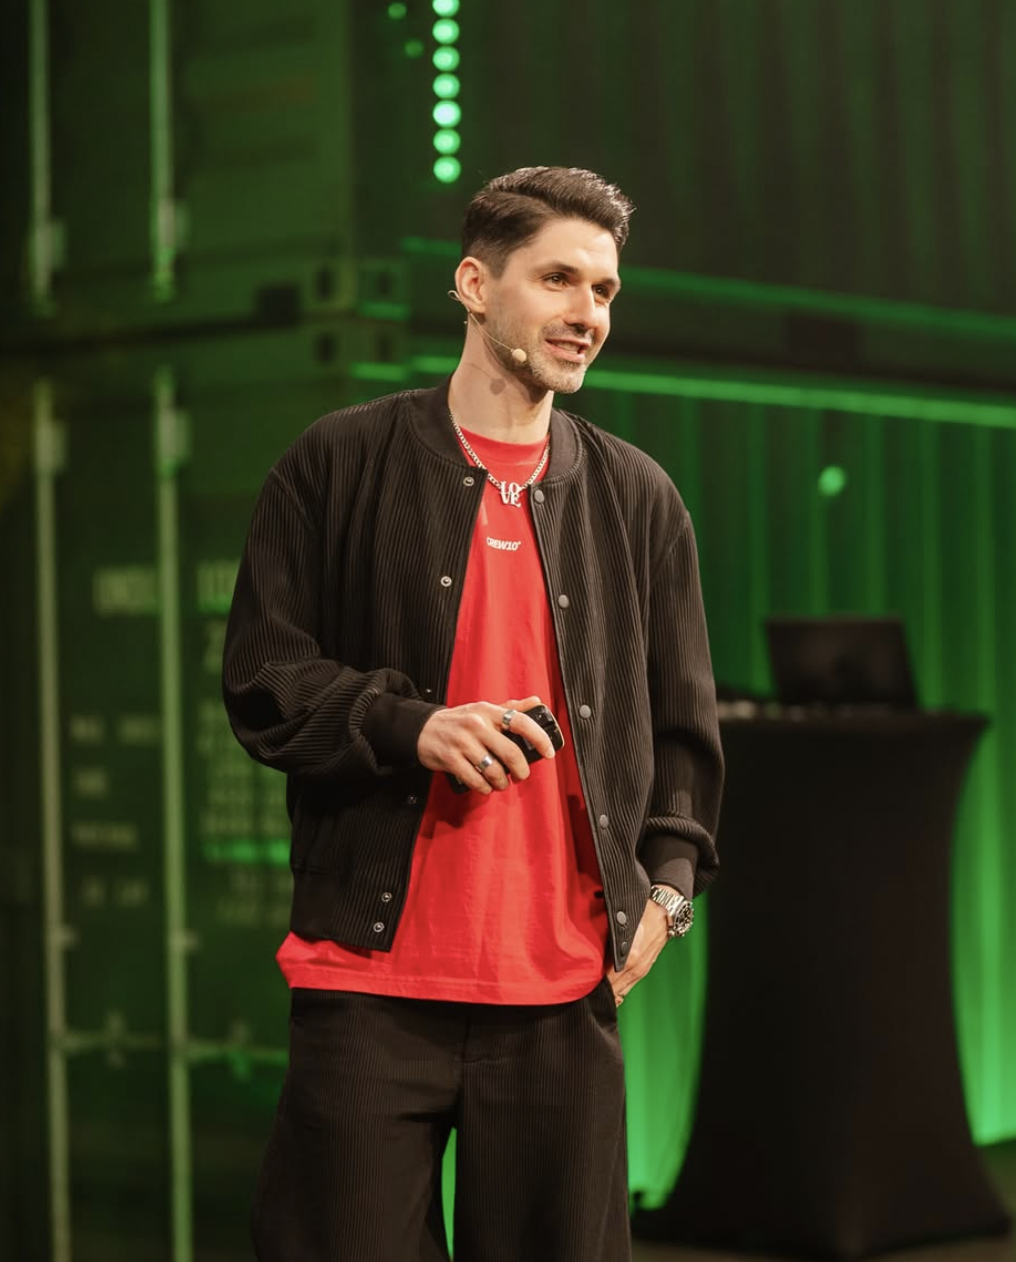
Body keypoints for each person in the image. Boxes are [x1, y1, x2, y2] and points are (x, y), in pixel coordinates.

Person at [222, 165, 724, 1262]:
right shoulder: (337, 462)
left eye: (604, 290)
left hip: (560, 997)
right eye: (558, 279)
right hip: (368, 993)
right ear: (472, 284)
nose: (588, 313)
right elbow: (263, 679)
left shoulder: (639, 498)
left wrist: (668, 892)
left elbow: (685, 727)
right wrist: (410, 724)